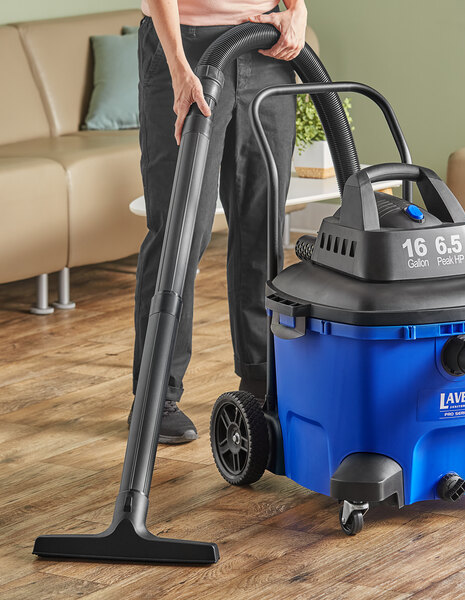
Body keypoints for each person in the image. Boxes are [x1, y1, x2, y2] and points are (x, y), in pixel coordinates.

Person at [132, 0, 308, 443]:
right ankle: (156, 397)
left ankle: (261, 379)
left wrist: (298, 10)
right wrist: (177, 66)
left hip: (265, 48)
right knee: (179, 229)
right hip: (186, 44)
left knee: (261, 225)